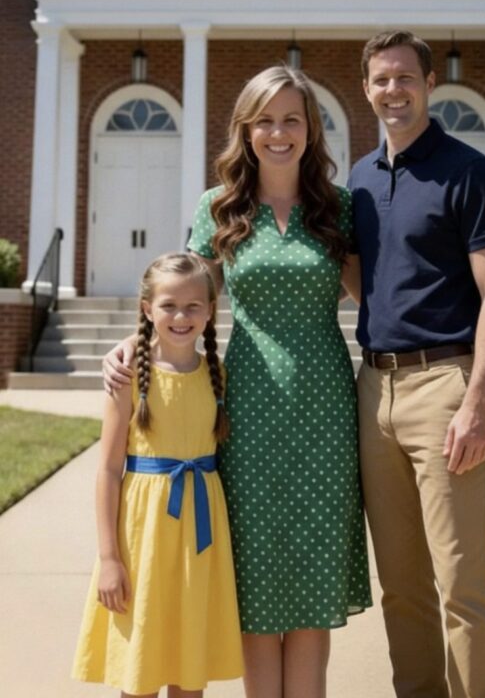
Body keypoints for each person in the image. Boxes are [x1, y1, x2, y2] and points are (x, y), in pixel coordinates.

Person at [103, 65, 372, 698]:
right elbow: (185, 295)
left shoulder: (340, 208)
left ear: (311, 129)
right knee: (254, 584)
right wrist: (133, 336)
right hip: (243, 411)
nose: (279, 133)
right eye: (265, 121)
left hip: (324, 409)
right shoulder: (217, 206)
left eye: (292, 120)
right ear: (246, 131)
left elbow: (374, 296)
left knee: (310, 585)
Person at [348, 30, 485, 698]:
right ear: (366, 89)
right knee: (401, 586)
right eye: (381, 80)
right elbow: (366, 280)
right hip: (374, 388)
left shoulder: (468, 171)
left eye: (405, 78)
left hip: (446, 387)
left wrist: (475, 402)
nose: (394, 90)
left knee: (462, 584)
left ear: (428, 84)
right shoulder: (359, 180)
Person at [73, 252, 244, 697]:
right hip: (143, 539)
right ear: (148, 309)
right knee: (141, 667)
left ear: (210, 312)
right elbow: (109, 470)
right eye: (168, 305)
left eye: (193, 306)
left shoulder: (217, 375)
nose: (181, 316)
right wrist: (110, 559)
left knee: (189, 672)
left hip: (199, 542)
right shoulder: (129, 376)